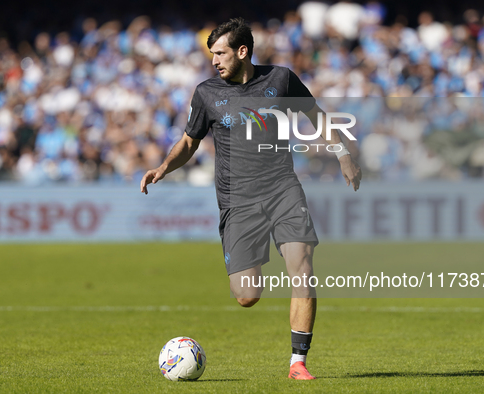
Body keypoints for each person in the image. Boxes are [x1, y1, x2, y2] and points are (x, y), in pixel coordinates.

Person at [140, 17, 362, 380]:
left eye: (220, 53)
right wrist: (163, 167)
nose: (214, 60)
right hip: (238, 200)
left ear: (242, 51)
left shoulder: (281, 80)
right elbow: (188, 142)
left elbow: (316, 117)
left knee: (302, 266)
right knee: (247, 294)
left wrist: (343, 154)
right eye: (212, 54)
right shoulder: (206, 93)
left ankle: (297, 363)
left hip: (282, 190)